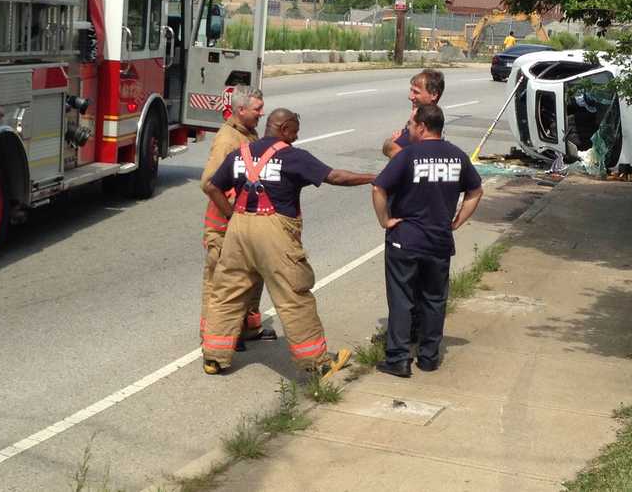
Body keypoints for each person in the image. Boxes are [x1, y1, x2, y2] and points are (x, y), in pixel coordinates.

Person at [201, 109, 375, 381]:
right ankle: (316, 363)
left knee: (228, 292)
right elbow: (336, 177)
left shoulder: (240, 154)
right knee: (294, 296)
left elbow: (212, 186)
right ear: (283, 128)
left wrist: (231, 214)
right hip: (274, 235)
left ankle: (214, 357)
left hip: (238, 232)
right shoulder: (292, 156)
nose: (296, 136)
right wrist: (373, 177)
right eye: (294, 130)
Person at [371, 104, 483, 378]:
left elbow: (378, 187)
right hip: (438, 241)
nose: (407, 129)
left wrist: (384, 220)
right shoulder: (457, 156)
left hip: (405, 240)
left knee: (402, 299)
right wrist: (457, 221)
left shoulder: (408, 156)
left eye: (410, 125)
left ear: (421, 126)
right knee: (434, 299)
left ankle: (398, 359)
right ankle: (429, 357)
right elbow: (476, 191)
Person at [199, 86, 274, 349]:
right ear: (240, 110)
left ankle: (247, 328)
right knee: (220, 283)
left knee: (251, 277)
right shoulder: (228, 139)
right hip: (223, 227)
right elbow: (209, 182)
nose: (261, 113)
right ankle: (214, 337)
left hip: (244, 226)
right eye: (257, 109)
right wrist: (232, 215)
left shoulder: (248, 134)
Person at [382, 69, 445, 159]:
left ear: (434, 95)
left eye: (416, 92)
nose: (410, 96)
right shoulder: (418, 117)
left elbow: (411, 161)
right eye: (411, 91)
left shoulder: (430, 123)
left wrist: (390, 145)